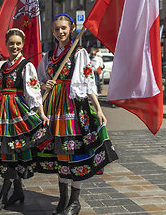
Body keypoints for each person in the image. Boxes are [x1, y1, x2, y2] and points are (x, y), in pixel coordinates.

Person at [36, 14, 118, 215]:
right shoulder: (48, 56)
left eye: (64, 28)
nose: (60, 32)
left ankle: (75, 200)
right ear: (53, 31)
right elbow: (37, 80)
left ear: (72, 28)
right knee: (60, 153)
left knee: (75, 151)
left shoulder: (78, 52)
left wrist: (98, 108)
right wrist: (44, 84)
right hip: (54, 108)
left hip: (73, 107)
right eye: (57, 29)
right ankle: (63, 198)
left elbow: (87, 82)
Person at [0, 28, 50, 213]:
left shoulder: (26, 65)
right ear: (6, 44)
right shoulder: (3, 66)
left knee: (11, 152)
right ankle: (18, 191)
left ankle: (3, 196)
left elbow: (33, 92)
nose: (14, 46)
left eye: (18, 43)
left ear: (22, 45)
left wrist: (41, 113)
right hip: (3, 114)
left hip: (17, 111)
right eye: (11, 43)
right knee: (7, 152)